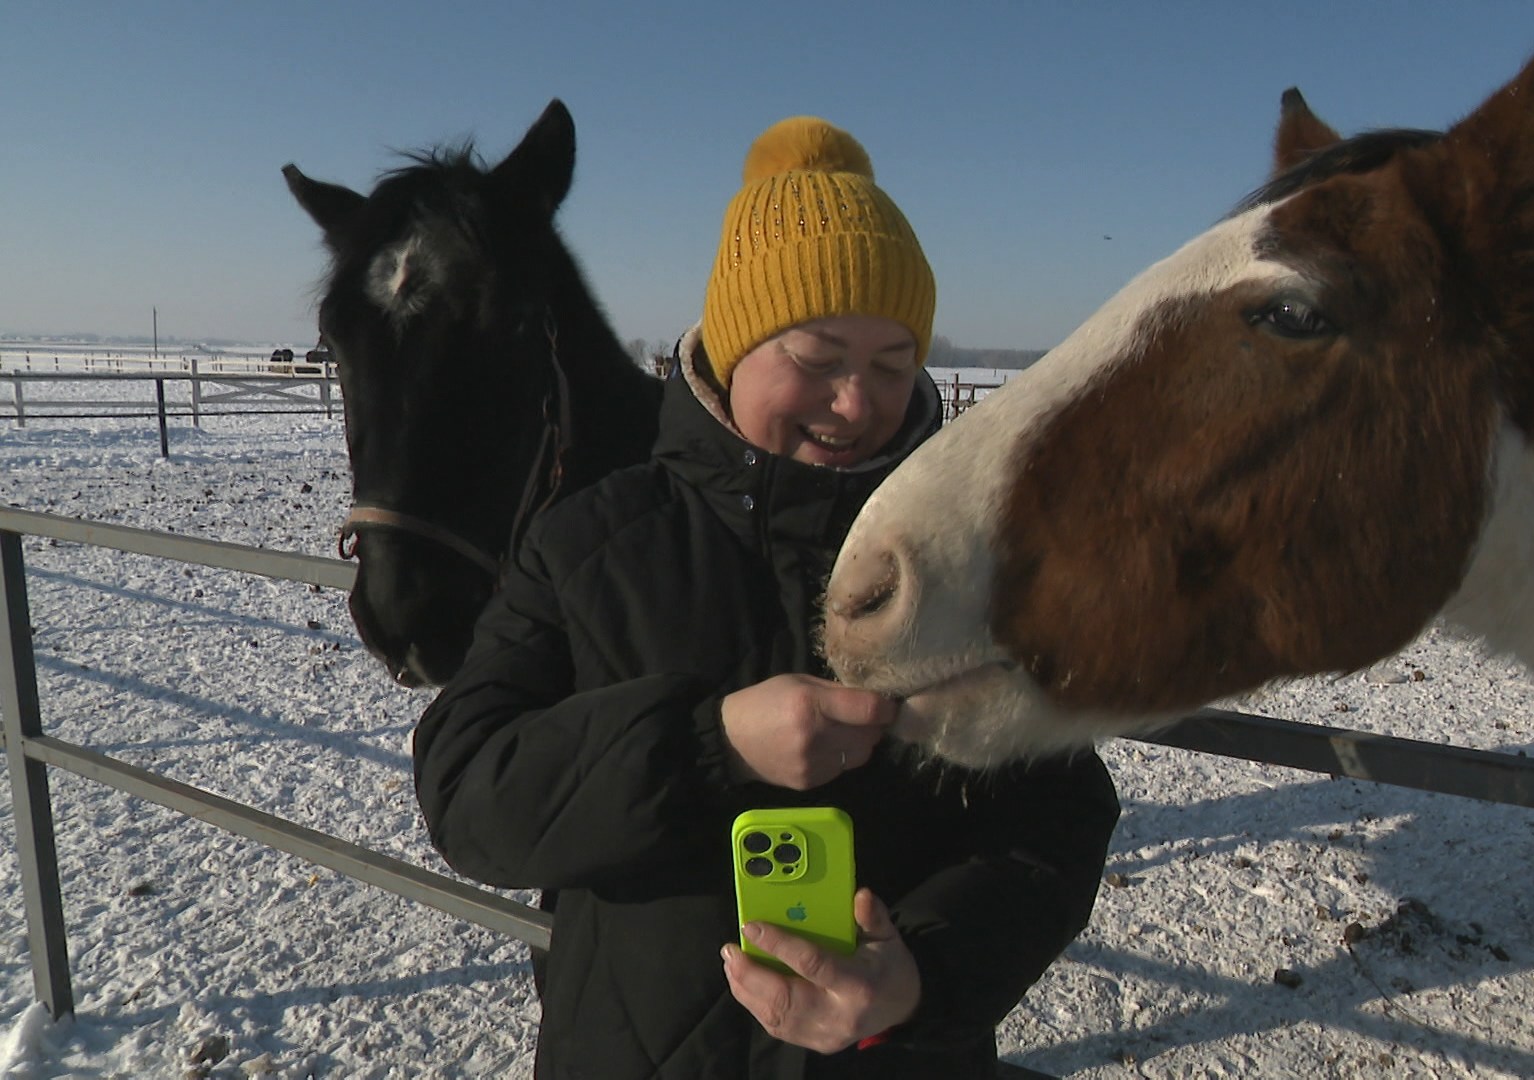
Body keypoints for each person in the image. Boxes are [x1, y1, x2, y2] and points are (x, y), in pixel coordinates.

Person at [412, 116, 1119, 1079]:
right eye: (817, 357)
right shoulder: (591, 543)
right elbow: (467, 791)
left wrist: (922, 974)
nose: (856, 403)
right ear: (734, 346)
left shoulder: (968, 565)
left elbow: (1057, 818)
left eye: (891, 363)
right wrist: (709, 745)